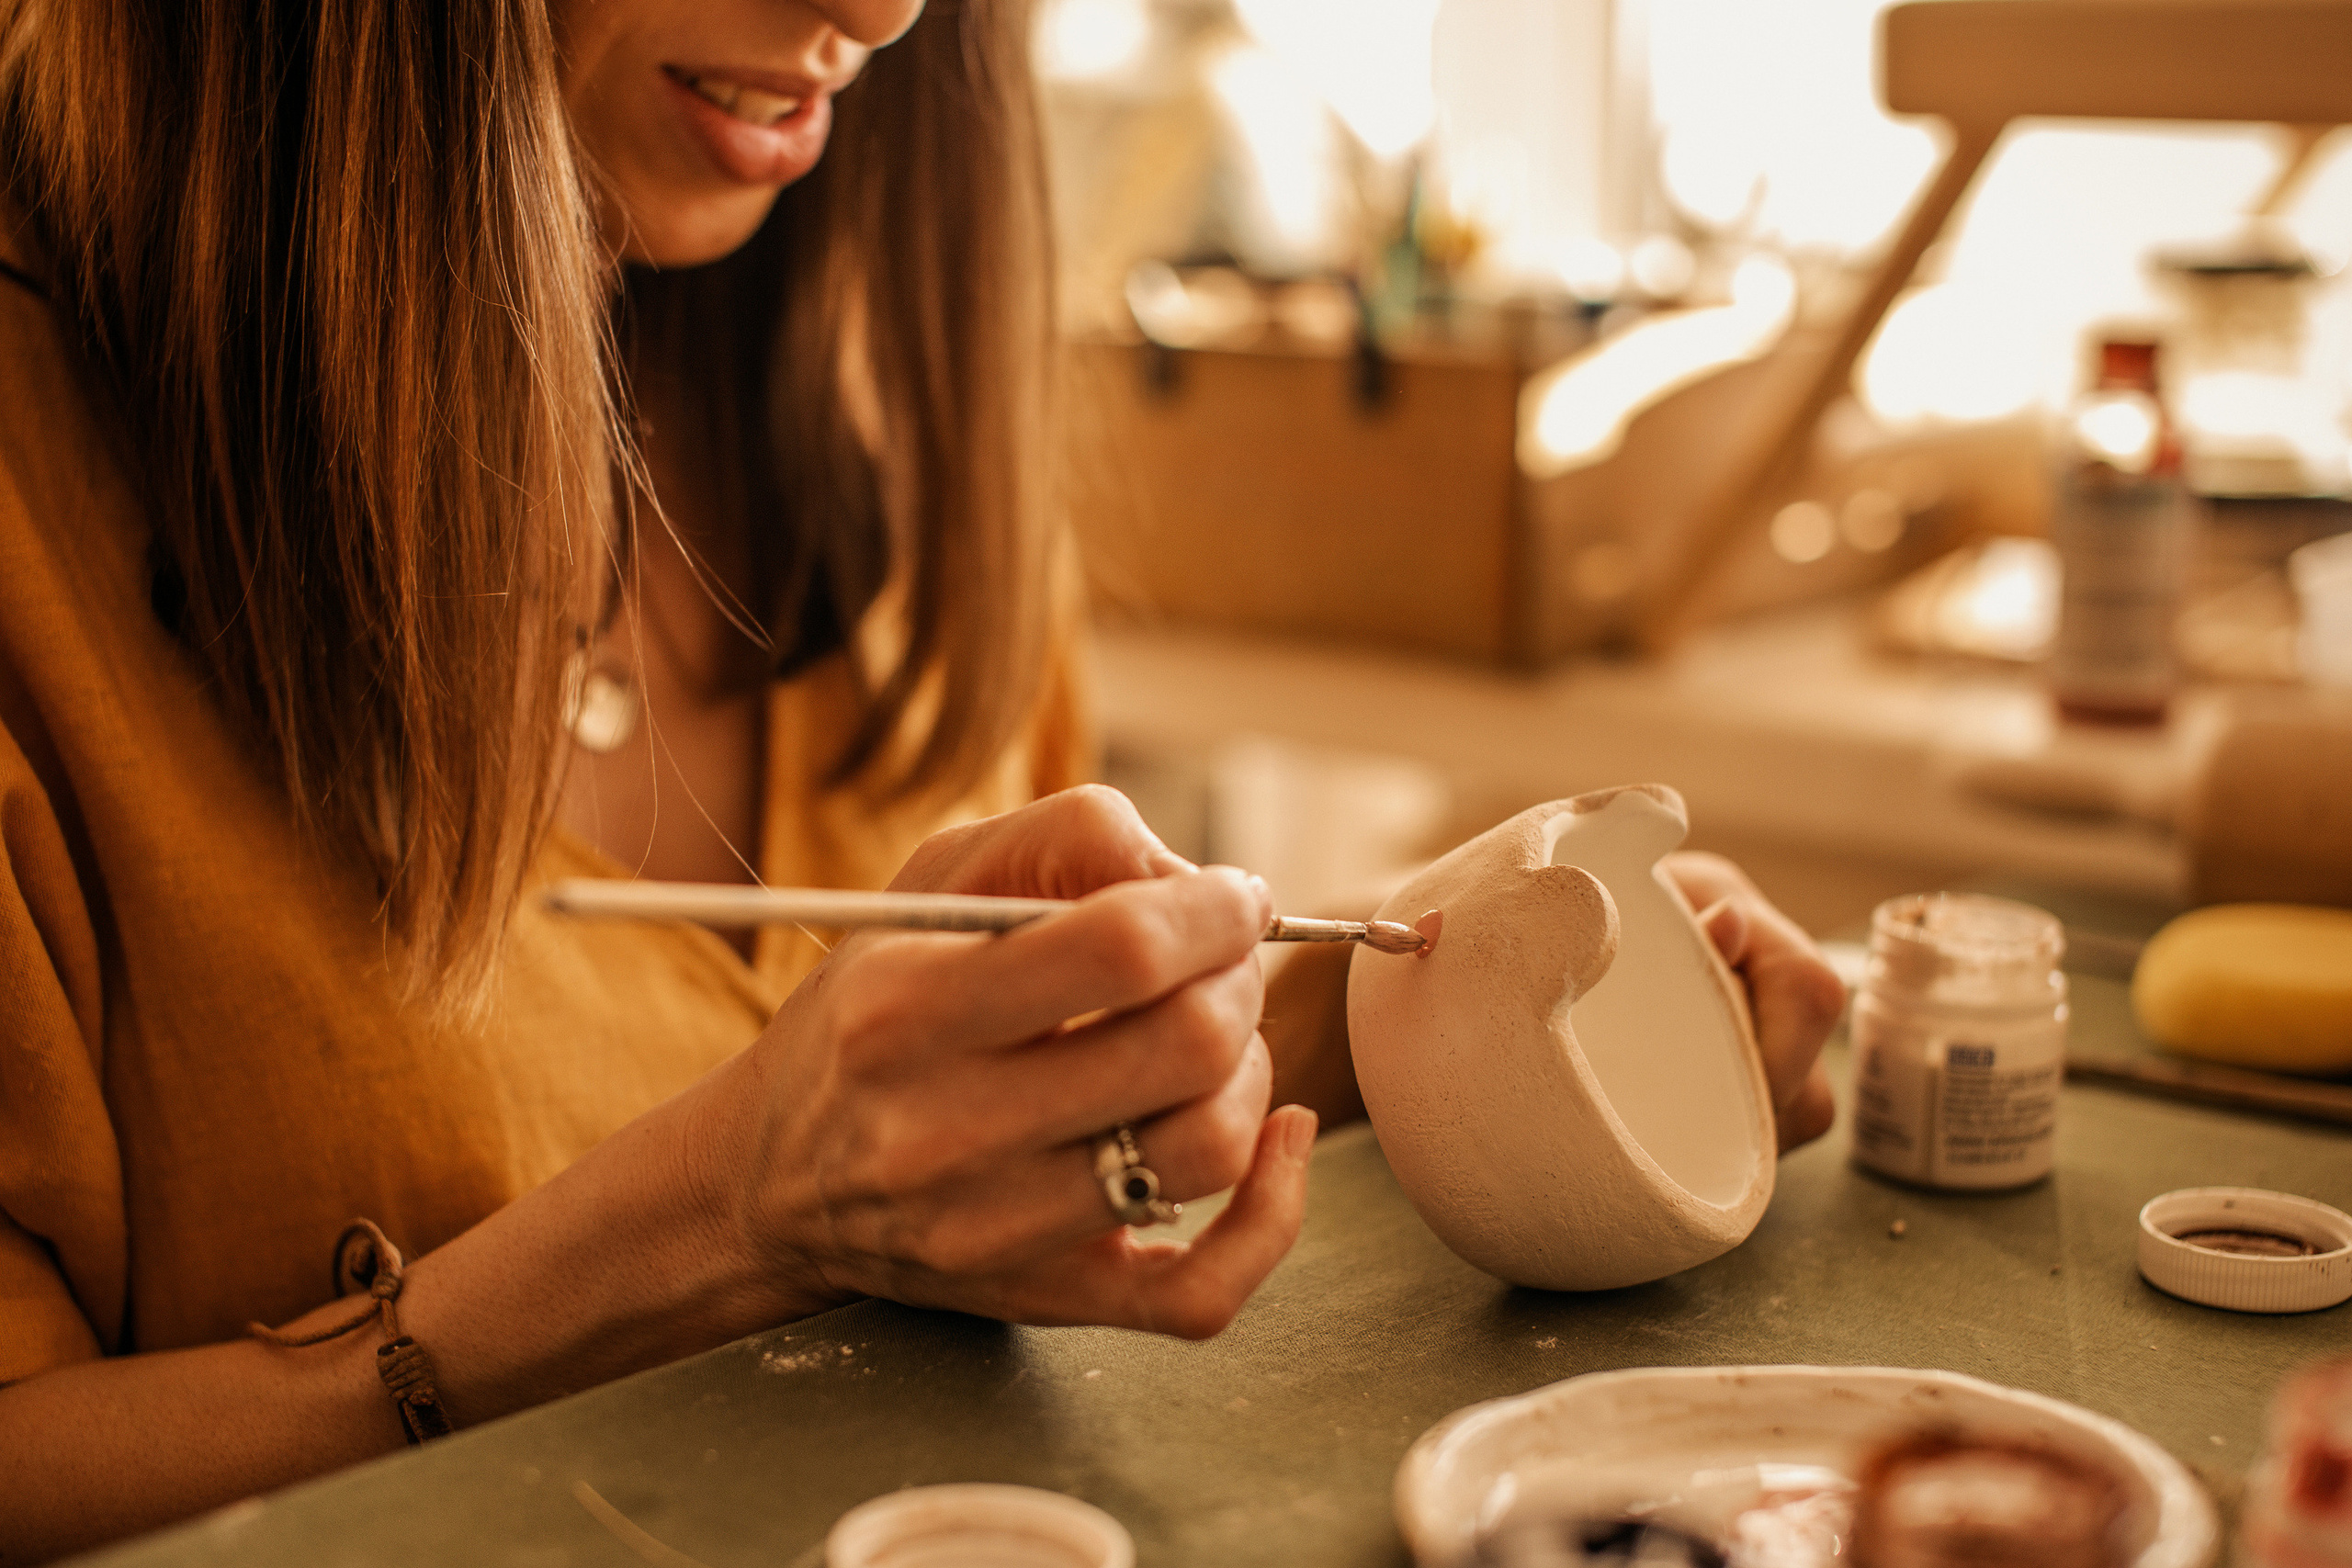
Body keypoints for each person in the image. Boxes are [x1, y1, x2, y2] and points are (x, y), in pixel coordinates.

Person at [0, 0, 1841, 1557]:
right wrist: (711, 1224)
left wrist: (1414, 1015)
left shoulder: (884, 398)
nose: (880, 12)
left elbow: (956, 1112)